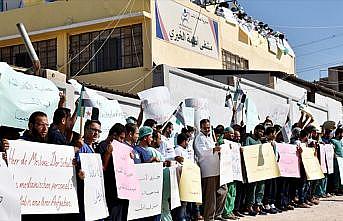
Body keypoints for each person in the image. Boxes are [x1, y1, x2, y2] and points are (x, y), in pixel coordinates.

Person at [194, 119, 227, 221]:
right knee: (210, 197)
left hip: (217, 169)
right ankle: (209, 218)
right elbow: (201, 153)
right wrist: (213, 149)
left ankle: (217, 214)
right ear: (201, 127)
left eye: (208, 127)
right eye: (205, 128)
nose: (207, 129)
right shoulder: (199, 138)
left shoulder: (210, 137)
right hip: (208, 171)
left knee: (223, 191)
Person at [98, 123, 129, 221]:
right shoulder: (103, 145)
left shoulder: (121, 148)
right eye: (121, 138)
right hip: (109, 191)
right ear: (114, 135)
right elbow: (102, 168)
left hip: (120, 191)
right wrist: (108, 153)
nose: (122, 141)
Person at [75, 119, 103, 221]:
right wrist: (79, 172)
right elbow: (76, 165)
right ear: (86, 130)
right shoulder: (82, 146)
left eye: (99, 131)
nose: (96, 133)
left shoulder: (93, 147)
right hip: (84, 191)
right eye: (93, 130)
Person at [243, 124, 265, 216]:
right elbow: (247, 151)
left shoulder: (260, 141)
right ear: (255, 130)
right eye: (260, 131)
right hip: (252, 168)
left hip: (259, 168)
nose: (261, 133)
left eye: (263, 132)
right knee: (252, 188)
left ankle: (257, 205)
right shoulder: (248, 139)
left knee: (260, 187)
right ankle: (250, 206)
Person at [222, 126, 239, 220]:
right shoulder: (222, 142)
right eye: (231, 133)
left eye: (233, 134)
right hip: (227, 171)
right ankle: (226, 211)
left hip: (234, 172)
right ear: (226, 133)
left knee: (233, 192)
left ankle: (230, 210)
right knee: (227, 193)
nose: (232, 135)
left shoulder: (235, 144)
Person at [330, 127, 343, 195]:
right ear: (339, 134)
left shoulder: (341, 141)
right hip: (336, 160)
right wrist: (335, 156)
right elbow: (332, 150)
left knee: (341, 175)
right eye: (342, 133)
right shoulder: (333, 141)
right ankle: (336, 189)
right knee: (337, 175)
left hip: (342, 159)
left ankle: (341, 188)